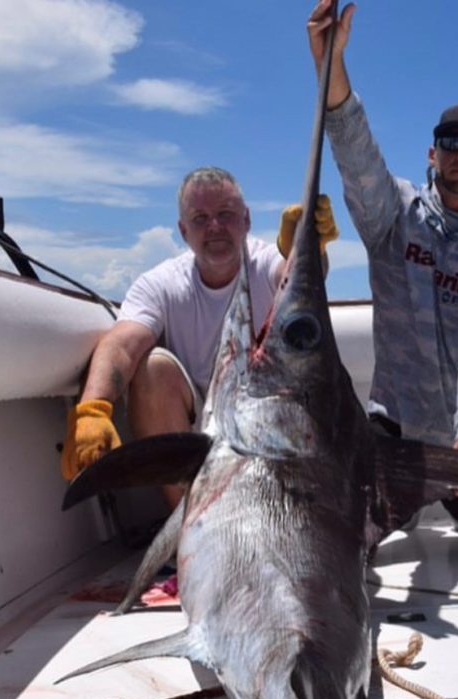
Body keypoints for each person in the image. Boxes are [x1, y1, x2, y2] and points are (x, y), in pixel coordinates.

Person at [307, 0, 458, 563]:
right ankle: (401, 503)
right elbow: (356, 153)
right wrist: (330, 64)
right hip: (392, 426)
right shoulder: (393, 217)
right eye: (452, 143)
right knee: (340, 547)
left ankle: (444, 496)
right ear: (432, 153)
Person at [60, 166, 337, 507]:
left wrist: (306, 251)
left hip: (269, 421)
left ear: (247, 220)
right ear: (182, 230)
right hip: (197, 431)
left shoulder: (267, 262)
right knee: (151, 369)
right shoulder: (160, 284)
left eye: (226, 214)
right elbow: (122, 343)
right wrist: (94, 409)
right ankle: (189, 527)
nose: (215, 227)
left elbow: (299, 284)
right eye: (200, 218)